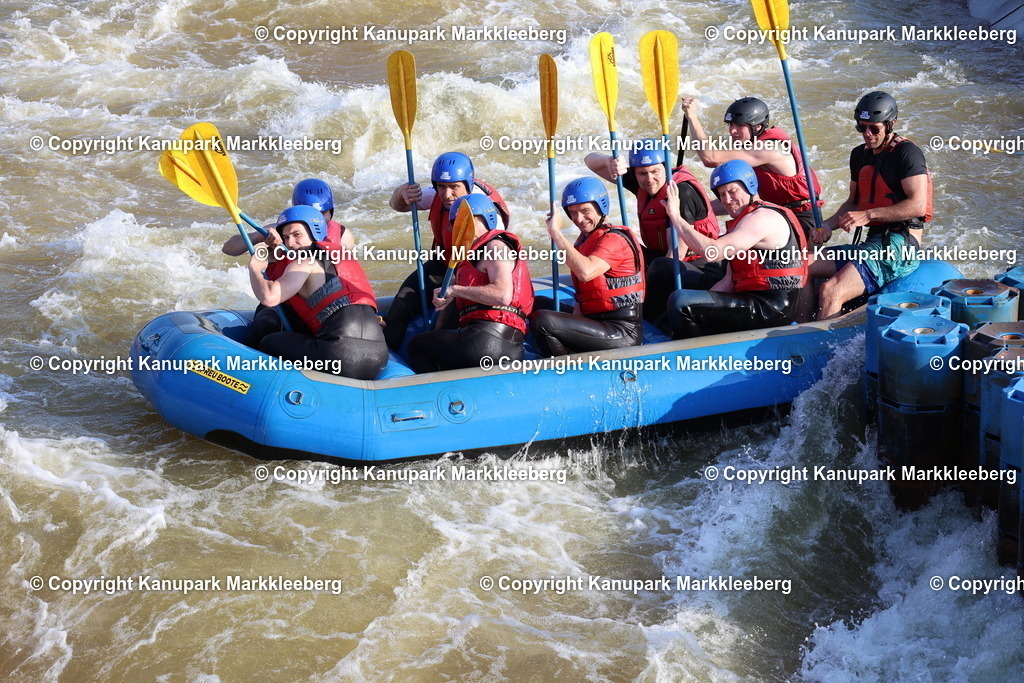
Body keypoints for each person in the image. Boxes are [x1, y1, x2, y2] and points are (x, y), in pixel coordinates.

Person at [810, 91, 932, 319]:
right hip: (871, 243)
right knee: (802, 265)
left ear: (890, 124)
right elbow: (853, 202)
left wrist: (867, 216)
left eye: (874, 128)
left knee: (832, 289)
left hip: (900, 245)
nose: (867, 134)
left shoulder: (907, 154)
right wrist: (827, 225)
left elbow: (918, 205)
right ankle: (799, 329)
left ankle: (822, 348)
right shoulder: (859, 155)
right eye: (861, 127)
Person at [663, 160, 808, 338]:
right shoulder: (744, 220)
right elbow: (729, 280)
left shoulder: (762, 218)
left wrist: (676, 218)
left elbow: (711, 252)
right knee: (673, 276)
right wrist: (704, 302)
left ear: (750, 186)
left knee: (681, 302)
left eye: (732, 191)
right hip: (750, 298)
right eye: (722, 195)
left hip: (771, 309)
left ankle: (693, 356)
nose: (727, 200)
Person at [384, 152, 510, 350]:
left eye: (454, 187)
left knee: (441, 325)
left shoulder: (485, 212)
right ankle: (386, 360)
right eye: (441, 187)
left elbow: (494, 266)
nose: (447, 194)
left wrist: (452, 289)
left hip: (474, 276)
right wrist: (402, 193)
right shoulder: (438, 195)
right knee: (401, 304)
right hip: (443, 265)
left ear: (467, 185)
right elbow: (397, 206)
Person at [586, 139, 723, 322]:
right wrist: (610, 161)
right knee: (622, 246)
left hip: (702, 268)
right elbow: (590, 161)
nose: (649, 179)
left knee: (661, 266)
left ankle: (641, 316)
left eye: (655, 172)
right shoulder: (641, 183)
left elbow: (676, 255)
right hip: (663, 260)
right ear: (635, 174)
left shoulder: (681, 191)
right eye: (642, 173)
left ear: (665, 169)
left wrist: (639, 286)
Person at [247, 205, 388, 381]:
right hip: (379, 359)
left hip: (338, 357)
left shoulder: (304, 262)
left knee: (269, 341)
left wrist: (254, 267)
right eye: (286, 237)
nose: (290, 243)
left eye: (297, 234)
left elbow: (270, 296)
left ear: (314, 233)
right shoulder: (342, 255)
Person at [407, 195, 533, 373]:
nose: (459, 229)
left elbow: (503, 295)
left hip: (488, 340)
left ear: (481, 219)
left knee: (416, 345)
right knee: (431, 341)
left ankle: (433, 394)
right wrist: (444, 300)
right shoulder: (467, 258)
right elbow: (453, 303)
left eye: (464, 221)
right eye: (454, 224)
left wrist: (454, 290)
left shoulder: (495, 247)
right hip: (495, 342)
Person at [531, 178, 645, 357]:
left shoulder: (615, 240)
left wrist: (556, 234)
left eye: (585, 211)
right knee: (535, 303)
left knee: (544, 321)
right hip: (594, 320)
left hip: (621, 331)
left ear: (601, 207)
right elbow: (583, 295)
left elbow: (586, 272)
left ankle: (565, 369)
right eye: (573, 213)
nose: (579, 219)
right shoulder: (585, 240)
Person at [681, 96, 823, 236]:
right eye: (731, 124)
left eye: (740, 125)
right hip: (777, 214)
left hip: (803, 220)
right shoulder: (752, 151)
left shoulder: (770, 148)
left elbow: (710, 158)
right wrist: (697, 210)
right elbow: (741, 199)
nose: (732, 131)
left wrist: (692, 116)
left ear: (758, 127)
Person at [222, 178, 354, 256]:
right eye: (309, 214)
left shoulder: (343, 235)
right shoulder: (280, 231)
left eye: (322, 213)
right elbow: (228, 249)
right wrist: (259, 236)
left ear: (331, 212)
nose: (316, 220)